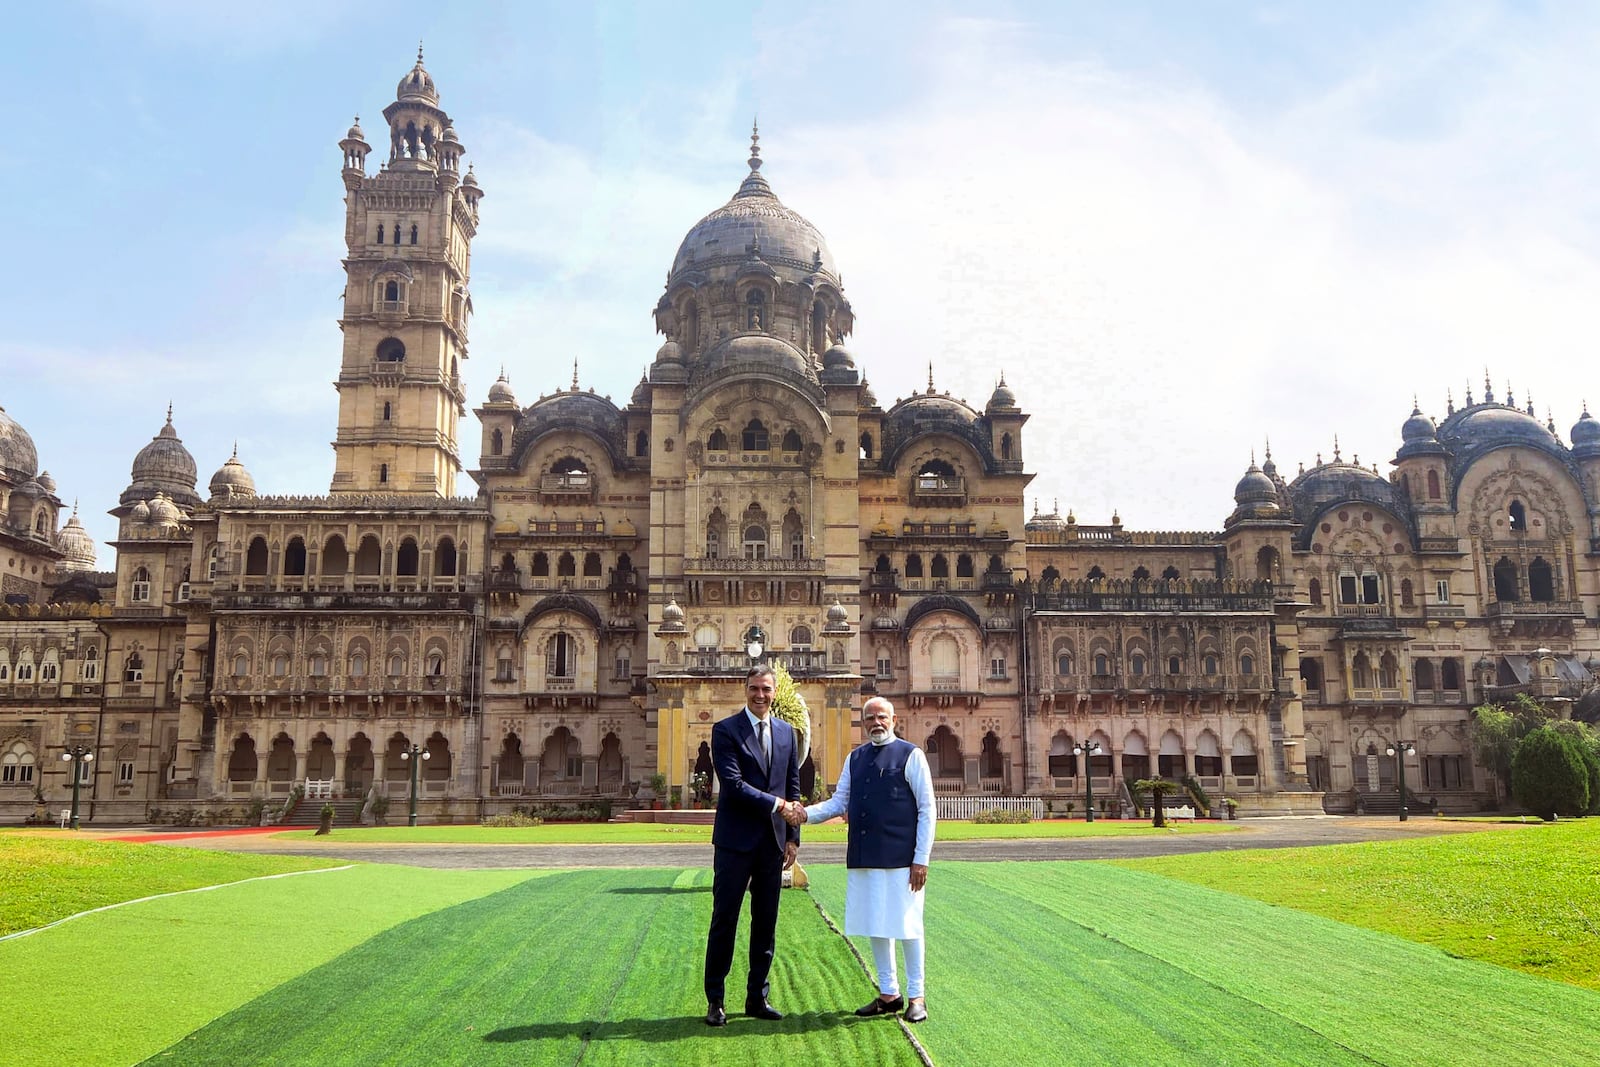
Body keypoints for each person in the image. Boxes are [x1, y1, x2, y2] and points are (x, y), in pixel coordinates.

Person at [786, 696, 936, 1023]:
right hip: (866, 855)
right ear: (863, 722)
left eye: (881, 717)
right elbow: (839, 803)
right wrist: (803, 815)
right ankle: (888, 993)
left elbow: (927, 809)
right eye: (870, 718)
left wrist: (921, 859)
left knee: (909, 926)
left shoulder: (911, 755)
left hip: (902, 859)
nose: (876, 723)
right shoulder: (855, 758)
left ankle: (917, 996)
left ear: (893, 719)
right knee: (876, 924)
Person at [703, 664, 802, 1027]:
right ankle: (715, 1000)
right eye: (754, 689)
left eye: (766, 689)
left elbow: (793, 786)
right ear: (744, 690)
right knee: (724, 920)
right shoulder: (726, 730)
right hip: (734, 842)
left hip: (772, 843)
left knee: (766, 923)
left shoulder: (787, 733)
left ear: (774, 692)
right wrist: (778, 806)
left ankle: (757, 997)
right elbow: (733, 784)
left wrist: (793, 837)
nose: (760, 695)